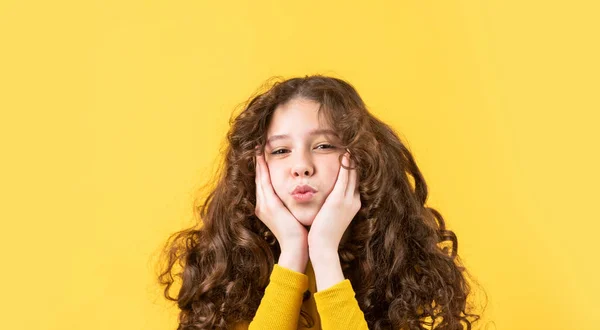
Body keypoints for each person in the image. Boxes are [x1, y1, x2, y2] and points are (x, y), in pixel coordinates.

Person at [157, 75, 483, 329]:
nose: (302, 166)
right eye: (281, 150)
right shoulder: (226, 265)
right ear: (253, 166)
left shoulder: (393, 257)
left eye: (324, 146)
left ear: (359, 158)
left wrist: (324, 253)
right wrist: (293, 255)